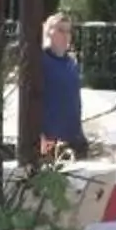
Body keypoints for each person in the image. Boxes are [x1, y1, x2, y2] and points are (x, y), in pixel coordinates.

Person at [38, 14, 88, 156]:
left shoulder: (71, 63)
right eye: (61, 30)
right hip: (49, 140)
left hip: (73, 137)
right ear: (49, 31)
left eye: (68, 31)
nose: (65, 36)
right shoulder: (41, 61)